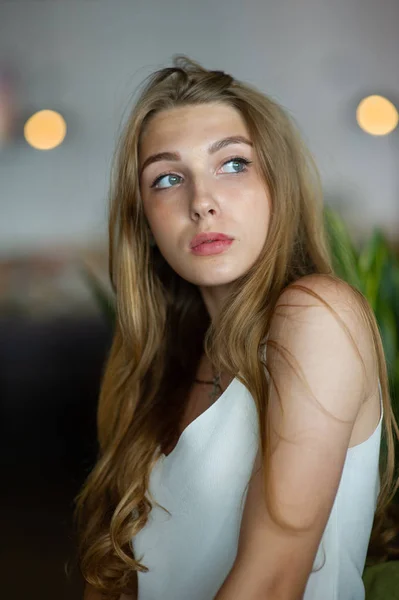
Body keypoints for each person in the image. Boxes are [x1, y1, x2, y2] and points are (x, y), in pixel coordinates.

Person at [75, 55, 399, 600]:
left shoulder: (316, 314)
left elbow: (274, 579)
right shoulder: (166, 368)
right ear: (146, 223)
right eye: (168, 178)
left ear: (280, 185)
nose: (201, 203)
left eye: (233, 164)